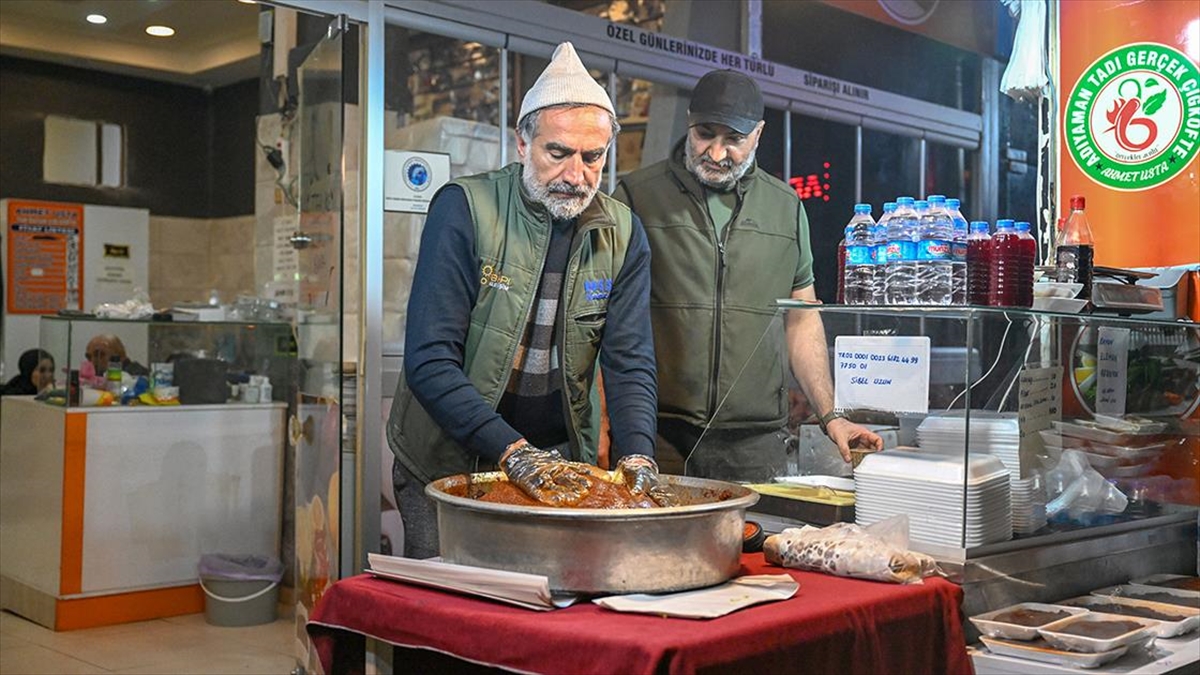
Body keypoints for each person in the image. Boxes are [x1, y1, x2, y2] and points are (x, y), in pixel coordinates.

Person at [386, 42, 661, 559]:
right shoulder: (465, 208)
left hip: (556, 458)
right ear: (521, 142)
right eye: (557, 153)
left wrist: (639, 454)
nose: (576, 175)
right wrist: (510, 452)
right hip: (450, 456)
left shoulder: (623, 233)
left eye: (592, 157)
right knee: (449, 615)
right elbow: (428, 359)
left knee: (544, 612)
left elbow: (630, 363)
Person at [613, 69, 882, 481]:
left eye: (734, 140)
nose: (716, 153)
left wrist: (831, 415)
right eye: (704, 133)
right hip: (654, 433)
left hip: (754, 443)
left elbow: (802, 317)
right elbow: (600, 318)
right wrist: (602, 423)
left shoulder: (786, 206)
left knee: (753, 541)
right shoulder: (636, 196)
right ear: (688, 120)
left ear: (757, 134)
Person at [83, 334, 149, 378]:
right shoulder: (97, 376)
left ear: (120, 356)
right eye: (88, 356)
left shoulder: (137, 376)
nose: (93, 361)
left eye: (100, 355)